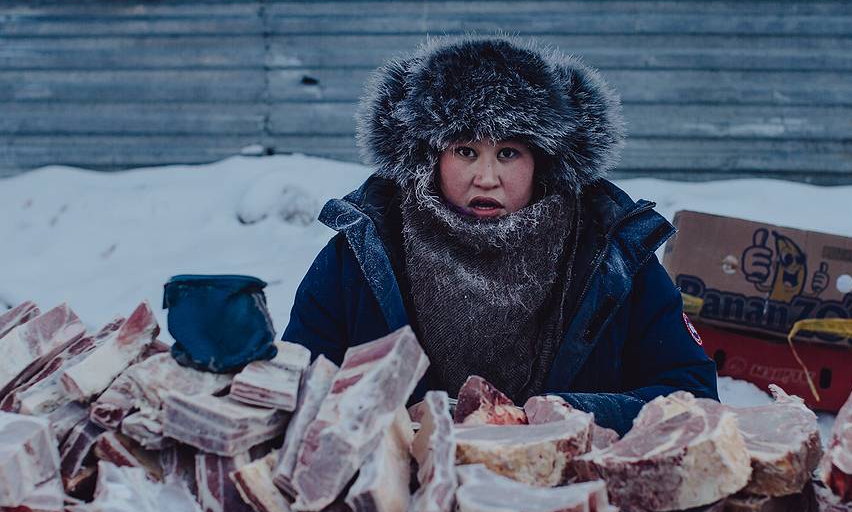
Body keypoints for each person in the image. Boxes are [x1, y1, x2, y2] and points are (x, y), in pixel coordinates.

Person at [283, 34, 718, 434]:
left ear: (543, 160)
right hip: (396, 497)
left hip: (570, 496)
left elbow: (692, 396)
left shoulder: (613, 257)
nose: (486, 177)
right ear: (429, 155)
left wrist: (555, 418)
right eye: (465, 151)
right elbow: (296, 389)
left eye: (508, 152)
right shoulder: (362, 253)